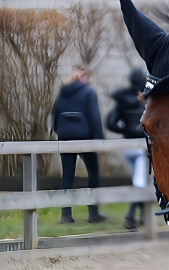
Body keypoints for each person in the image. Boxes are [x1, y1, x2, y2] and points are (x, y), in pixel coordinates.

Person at [52, 66, 107, 224]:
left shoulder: (63, 92)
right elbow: (94, 117)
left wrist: (60, 131)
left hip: (66, 138)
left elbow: (55, 115)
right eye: (88, 78)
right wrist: (100, 141)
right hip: (85, 138)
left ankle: (66, 216)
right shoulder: (88, 92)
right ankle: (93, 213)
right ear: (83, 77)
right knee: (93, 173)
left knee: (67, 176)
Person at [107, 68, 148, 230]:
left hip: (127, 147)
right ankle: (130, 217)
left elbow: (110, 123)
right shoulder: (147, 99)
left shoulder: (122, 99)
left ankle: (143, 215)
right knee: (140, 183)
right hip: (142, 147)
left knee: (140, 182)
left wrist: (126, 130)